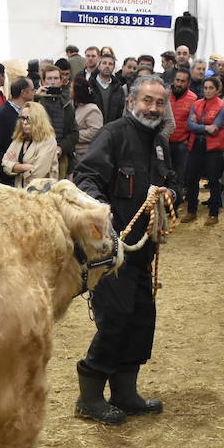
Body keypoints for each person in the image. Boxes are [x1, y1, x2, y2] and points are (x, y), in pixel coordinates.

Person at [72, 76, 174, 425]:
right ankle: (89, 398)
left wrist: (169, 194)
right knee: (114, 319)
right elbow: (84, 177)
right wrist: (101, 206)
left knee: (141, 319)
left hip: (143, 252)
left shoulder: (160, 144)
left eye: (159, 103)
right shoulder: (112, 135)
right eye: (147, 101)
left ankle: (126, 393)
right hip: (111, 253)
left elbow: (168, 181)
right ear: (132, 101)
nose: (153, 108)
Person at [185, 75, 224, 225]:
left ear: (217, 90)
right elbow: (190, 125)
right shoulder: (196, 104)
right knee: (191, 179)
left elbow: (215, 129)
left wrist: (199, 126)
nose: (207, 91)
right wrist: (205, 127)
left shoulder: (222, 106)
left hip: (214, 148)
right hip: (195, 145)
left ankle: (213, 213)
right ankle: (191, 211)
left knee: (214, 180)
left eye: (211, 88)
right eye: (205, 88)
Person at [1, 101, 58, 187]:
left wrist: (15, 166)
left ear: (38, 120)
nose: (24, 122)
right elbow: (5, 164)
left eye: (28, 118)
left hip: (41, 193)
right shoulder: (19, 138)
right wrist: (25, 167)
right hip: (20, 191)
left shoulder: (48, 141)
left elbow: (37, 174)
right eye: (22, 118)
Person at [36, 63, 78, 175]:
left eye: (56, 78)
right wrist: (36, 98)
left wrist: (61, 148)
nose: (53, 82)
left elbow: (74, 133)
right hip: (38, 156)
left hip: (61, 157)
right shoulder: (37, 102)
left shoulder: (67, 103)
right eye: (49, 78)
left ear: (60, 81)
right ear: (43, 81)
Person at [166, 67, 197, 213]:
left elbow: (194, 124)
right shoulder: (165, 94)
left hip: (181, 144)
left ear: (188, 83)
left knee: (178, 176)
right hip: (164, 142)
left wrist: (188, 143)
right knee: (163, 174)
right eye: (177, 80)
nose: (179, 84)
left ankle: (176, 205)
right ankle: (164, 203)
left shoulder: (193, 99)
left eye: (182, 81)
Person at [72, 76, 104, 165]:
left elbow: (95, 131)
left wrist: (74, 135)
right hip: (74, 153)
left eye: (72, 88)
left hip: (85, 155)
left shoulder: (92, 109)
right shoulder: (75, 106)